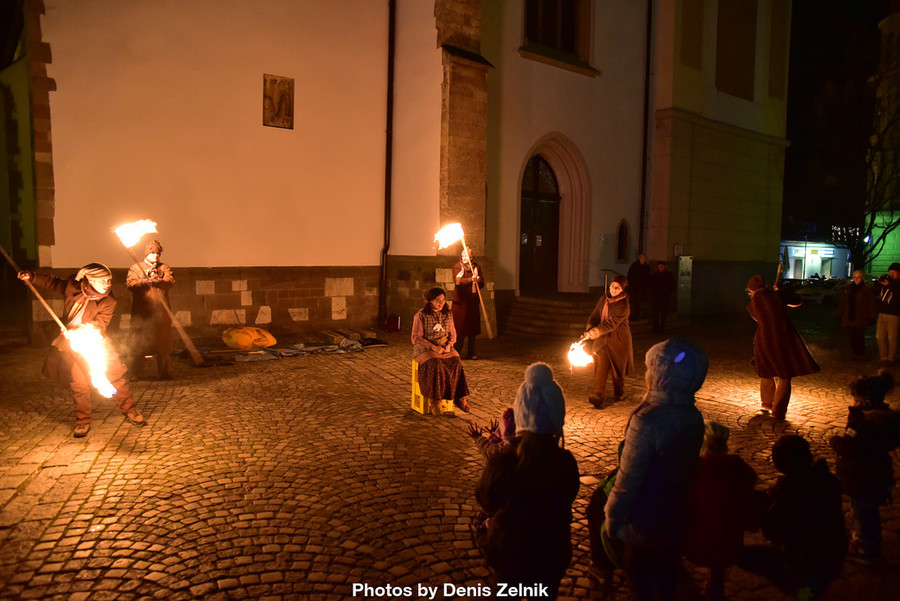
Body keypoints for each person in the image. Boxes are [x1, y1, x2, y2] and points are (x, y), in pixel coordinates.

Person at [604, 338, 708, 601]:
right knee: (665, 576)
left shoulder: (648, 419)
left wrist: (613, 515)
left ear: (660, 373)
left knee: (640, 579)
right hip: (674, 514)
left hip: (643, 518)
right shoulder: (693, 415)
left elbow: (629, 478)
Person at [476, 363, 580, 601]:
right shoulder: (564, 462)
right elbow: (569, 495)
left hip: (509, 553)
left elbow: (485, 498)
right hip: (551, 555)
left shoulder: (504, 462)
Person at [17, 264, 146, 437]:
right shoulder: (73, 286)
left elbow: (99, 326)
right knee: (78, 383)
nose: (107, 284)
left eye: (108, 281)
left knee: (116, 377)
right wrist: (32, 277)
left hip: (96, 342)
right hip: (71, 344)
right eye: (102, 281)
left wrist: (79, 332)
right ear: (90, 280)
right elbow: (53, 282)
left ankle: (130, 410)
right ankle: (83, 421)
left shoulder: (109, 301)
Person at [740, 435, 847, 600]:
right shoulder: (826, 479)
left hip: (806, 562)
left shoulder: (788, 493)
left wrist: (766, 511)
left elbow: (773, 532)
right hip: (833, 556)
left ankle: (805, 593)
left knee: (743, 555)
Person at [681, 422, 761, 601]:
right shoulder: (739, 469)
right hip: (728, 545)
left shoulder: (694, 468)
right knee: (721, 532)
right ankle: (715, 586)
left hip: (693, 542)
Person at [830, 371, 897, 564]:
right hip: (878, 471)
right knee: (868, 507)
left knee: (863, 509)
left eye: (855, 396)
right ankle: (867, 538)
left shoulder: (861, 421)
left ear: (862, 398)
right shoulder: (886, 417)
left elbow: (850, 446)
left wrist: (835, 442)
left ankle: (866, 547)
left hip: (860, 475)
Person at [745, 275, 820, 420]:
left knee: (766, 372)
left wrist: (778, 293)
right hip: (782, 338)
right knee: (784, 375)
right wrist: (781, 291)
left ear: (751, 290)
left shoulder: (752, 304)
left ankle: (766, 404)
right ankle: (778, 411)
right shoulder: (777, 296)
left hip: (762, 339)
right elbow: (797, 301)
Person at [411, 287, 470, 414]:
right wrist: (433, 347)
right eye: (438, 300)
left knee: (457, 362)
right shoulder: (421, 315)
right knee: (436, 365)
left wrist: (449, 345)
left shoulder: (448, 314)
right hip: (425, 348)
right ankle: (435, 401)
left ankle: (459, 397)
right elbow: (416, 338)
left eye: (443, 300)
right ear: (430, 301)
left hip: (444, 346)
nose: (441, 303)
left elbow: (453, 334)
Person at [582, 274, 634, 408]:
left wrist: (594, 332)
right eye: (612, 286)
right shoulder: (603, 299)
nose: (614, 289)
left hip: (618, 341)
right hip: (602, 340)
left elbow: (610, 324)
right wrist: (590, 327)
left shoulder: (623, 305)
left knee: (617, 368)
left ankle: (619, 391)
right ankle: (599, 395)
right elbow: (595, 315)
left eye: (618, 287)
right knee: (601, 365)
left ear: (622, 290)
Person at [126, 239, 175, 380]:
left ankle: (164, 372)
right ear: (146, 254)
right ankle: (136, 373)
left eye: (158, 253)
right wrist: (144, 281)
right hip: (142, 313)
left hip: (161, 313)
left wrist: (158, 280)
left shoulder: (164, 268)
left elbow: (170, 282)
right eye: (153, 253)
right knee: (138, 342)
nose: (156, 255)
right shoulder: (136, 268)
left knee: (163, 343)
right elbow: (130, 284)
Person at [451, 246, 485, 360]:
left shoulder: (477, 267)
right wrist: (471, 279)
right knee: (460, 328)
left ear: (471, 257)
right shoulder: (458, 267)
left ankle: (471, 352)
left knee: (472, 329)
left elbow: (482, 283)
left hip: (472, 302)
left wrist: (478, 280)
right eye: (463, 255)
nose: (465, 257)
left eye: (467, 256)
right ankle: (456, 352)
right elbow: (458, 281)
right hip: (460, 303)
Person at [836, 270, 876, 361]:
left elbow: (871, 303)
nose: (857, 279)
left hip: (861, 316)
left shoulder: (867, 288)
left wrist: (871, 316)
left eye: (859, 277)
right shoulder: (849, 288)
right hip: (850, 316)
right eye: (855, 277)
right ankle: (854, 353)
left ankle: (860, 353)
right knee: (852, 336)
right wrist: (839, 313)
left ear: (862, 278)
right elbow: (843, 301)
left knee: (860, 336)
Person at [875, 262, 900, 365]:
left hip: (894, 314)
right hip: (882, 312)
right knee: (879, 336)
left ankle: (891, 358)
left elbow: (897, 293)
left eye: (894, 272)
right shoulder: (888, 282)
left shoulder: (897, 284)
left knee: (892, 337)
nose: (891, 274)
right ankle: (883, 357)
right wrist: (879, 282)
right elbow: (877, 292)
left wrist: (889, 285)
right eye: (890, 272)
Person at [648, 261, 676, 335]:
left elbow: (672, 286)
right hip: (656, 297)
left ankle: (662, 328)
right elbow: (650, 286)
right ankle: (656, 328)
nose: (661, 267)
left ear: (664, 267)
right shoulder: (654, 276)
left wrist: (667, 291)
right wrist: (653, 293)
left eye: (662, 266)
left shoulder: (669, 275)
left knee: (664, 314)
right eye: (659, 266)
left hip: (665, 297)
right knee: (656, 313)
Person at [626, 254, 651, 320]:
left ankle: (637, 315)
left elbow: (648, 278)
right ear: (639, 258)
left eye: (644, 258)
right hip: (634, 287)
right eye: (642, 258)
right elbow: (630, 275)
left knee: (638, 302)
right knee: (632, 302)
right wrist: (630, 283)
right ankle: (632, 315)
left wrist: (646, 286)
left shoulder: (646, 267)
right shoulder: (634, 265)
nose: (643, 260)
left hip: (641, 288)